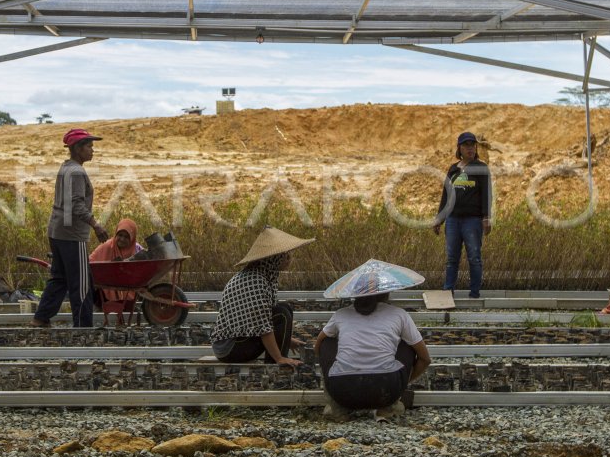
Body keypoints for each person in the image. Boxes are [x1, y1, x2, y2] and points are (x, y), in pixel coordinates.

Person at [314, 260, 431, 421]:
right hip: (386, 390)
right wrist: (402, 382)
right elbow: (425, 358)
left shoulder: (341, 314)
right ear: (387, 292)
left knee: (327, 342)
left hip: (342, 391)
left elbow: (318, 345)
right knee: (408, 344)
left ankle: (337, 409)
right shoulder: (399, 314)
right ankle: (388, 408)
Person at [33, 129, 110, 328]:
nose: (92, 150)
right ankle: (83, 327)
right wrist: (96, 225)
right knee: (81, 283)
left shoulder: (66, 167)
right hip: (71, 235)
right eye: (89, 146)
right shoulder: (76, 171)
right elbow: (76, 204)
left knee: (59, 278)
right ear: (77, 149)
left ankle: (41, 317)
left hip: (57, 231)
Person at [210, 227, 314, 365]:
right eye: (286, 255)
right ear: (275, 258)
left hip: (240, 340)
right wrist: (279, 358)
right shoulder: (255, 281)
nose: (289, 259)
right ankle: (275, 363)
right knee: (281, 313)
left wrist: (287, 339)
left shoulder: (261, 276)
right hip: (231, 348)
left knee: (284, 309)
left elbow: (260, 321)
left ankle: (277, 359)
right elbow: (263, 326)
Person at [432, 131, 493, 298]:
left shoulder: (481, 168)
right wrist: (440, 218)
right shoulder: (453, 169)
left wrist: (486, 217)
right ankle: (448, 292)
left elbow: (487, 194)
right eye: (466, 145)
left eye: (472, 145)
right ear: (459, 148)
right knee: (452, 258)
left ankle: (474, 293)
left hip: (472, 220)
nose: (470, 148)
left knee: (474, 257)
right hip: (453, 220)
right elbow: (446, 195)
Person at [90, 218, 144, 323]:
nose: (122, 239)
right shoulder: (106, 246)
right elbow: (91, 262)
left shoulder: (137, 250)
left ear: (132, 238)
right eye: (120, 235)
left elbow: (147, 265)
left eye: (126, 237)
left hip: (129, 292)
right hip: (105, 292)